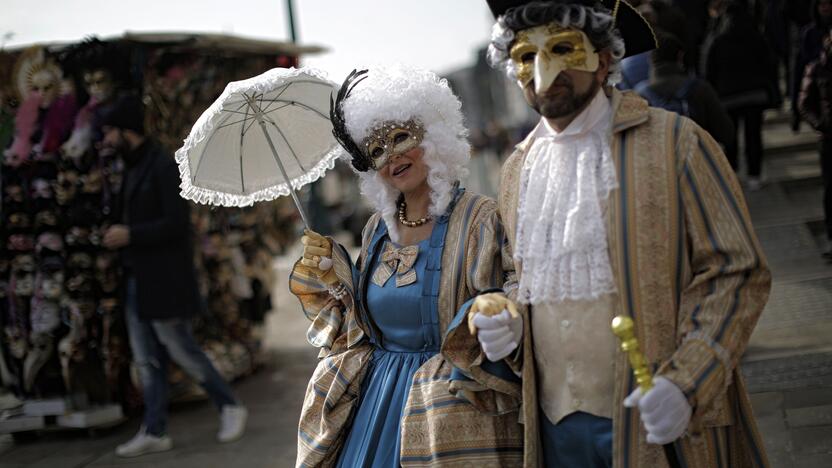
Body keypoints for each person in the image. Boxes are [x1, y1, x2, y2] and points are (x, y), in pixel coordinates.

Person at [462, 1, 772, 466]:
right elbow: (521, 275)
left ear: (604, 58)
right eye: (527, 55)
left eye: (564, 48)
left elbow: (737, 272)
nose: (544, 70)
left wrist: (686, 382)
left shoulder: (676, 142)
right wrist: (508, 319)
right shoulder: (517, 169)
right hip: (555, 431)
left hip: (659, 425)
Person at [289, 66, 524, 467]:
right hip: (377, 402)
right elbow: (359, 327)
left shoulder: (480, 217)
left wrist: (502, 310)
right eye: (377, 150)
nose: (392, 155)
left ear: (433, 138)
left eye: (401, 137)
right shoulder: (376, 229)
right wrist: (334, 274)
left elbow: (516, 290)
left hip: (454, 402)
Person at [99, 95, 247, 458]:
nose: (105, 140)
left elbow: (177, 223)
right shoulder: (129, 167)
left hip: (163, 280)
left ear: (125, 131)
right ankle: (154, 429)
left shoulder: (161, 165)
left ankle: (229, 405)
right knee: (147, 360)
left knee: (183, 350)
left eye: (109, 132)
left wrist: (131, 234)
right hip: (137, 280)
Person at [705, 0, 779, 189]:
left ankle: (732, 174)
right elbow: (770, 66)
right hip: (755, 95)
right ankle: (754, 175)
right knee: (753, 136)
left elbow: (709, 71)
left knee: (730, 137)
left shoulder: (718, 41)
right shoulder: (756, 38)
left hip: (728, 97)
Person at [635, 30, 735, 150]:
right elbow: (727, 133)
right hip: (695, 162)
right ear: (680, 56)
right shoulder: (700, 89)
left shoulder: (638, 95)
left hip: (657, 165)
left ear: (650, 59)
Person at [798, 32, 832, 258]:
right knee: (830, 191)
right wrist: (819, 124)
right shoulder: (817, 68)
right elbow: (804, 103)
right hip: (829, 140)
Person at [794, 0, 832, 132]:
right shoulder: (809, 33)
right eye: (822, 4)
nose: (826, 8)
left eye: (828, 4)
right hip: (817, 83)